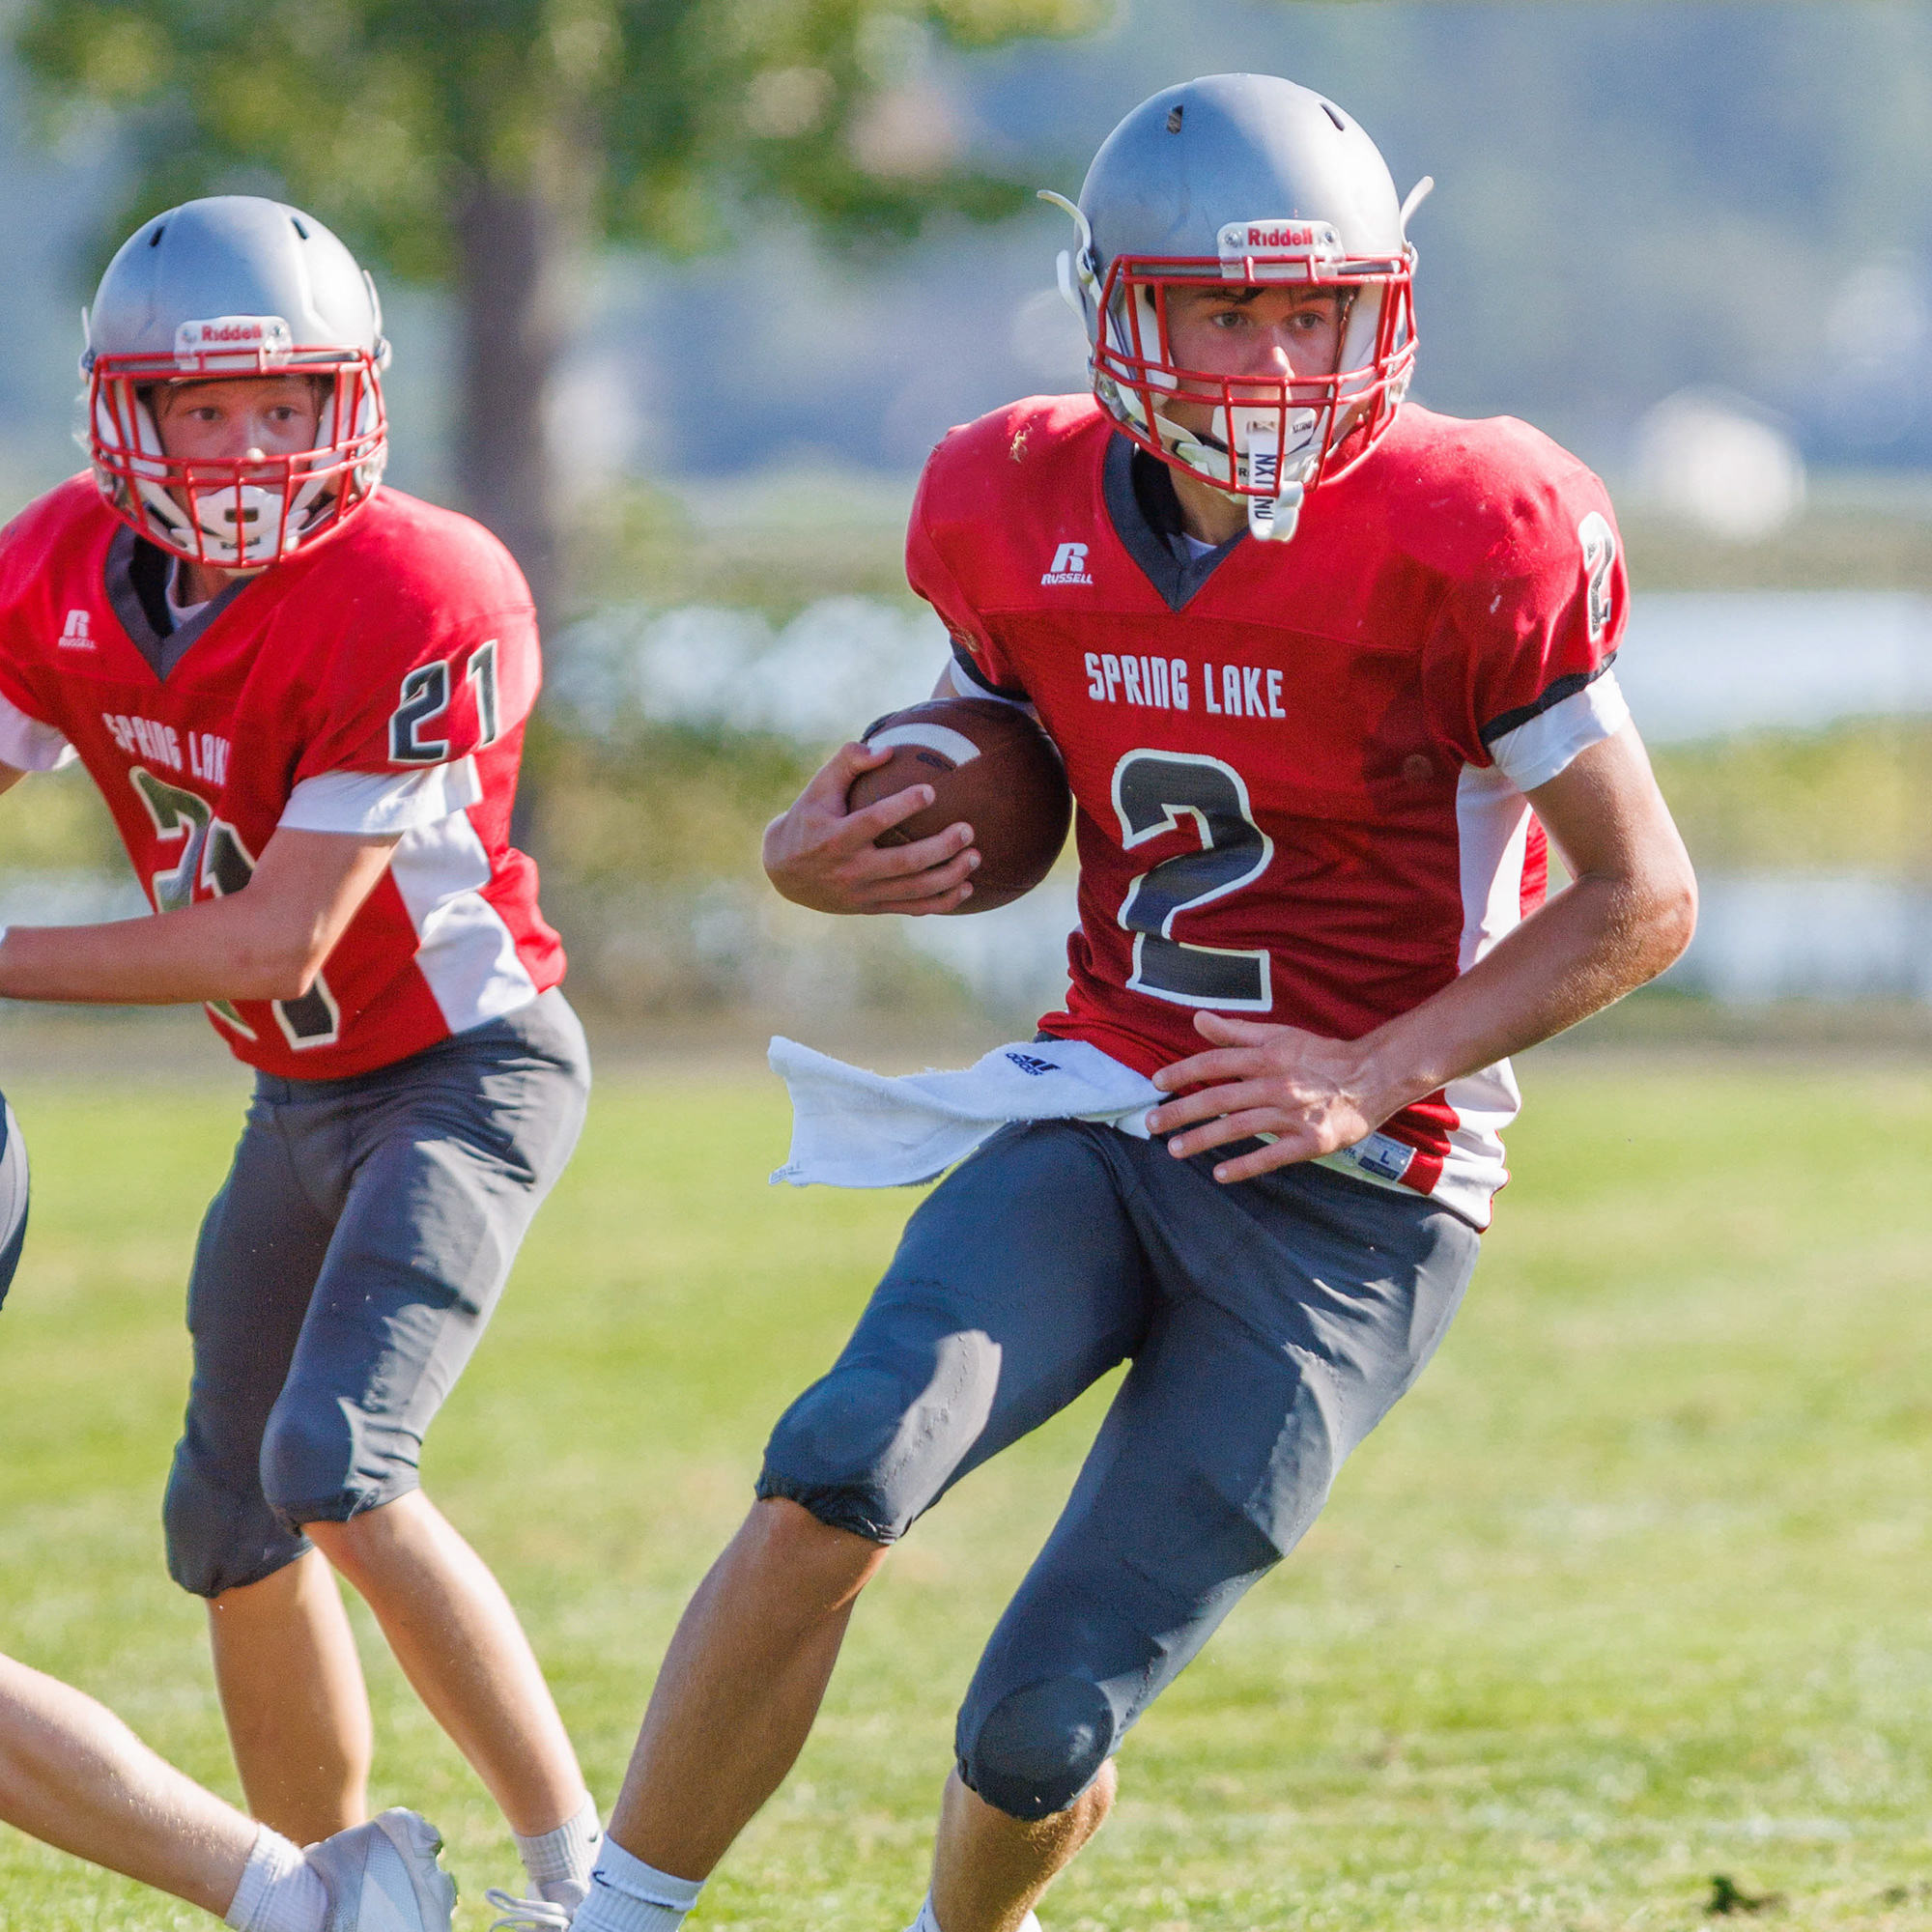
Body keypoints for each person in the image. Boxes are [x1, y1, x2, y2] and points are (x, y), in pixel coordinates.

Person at [569, 73, 1697, 1932]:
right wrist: (812, 851)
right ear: (1115, 309)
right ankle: (614, 1916)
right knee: (841, 1463)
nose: (1276, 360)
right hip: (1109, 1108)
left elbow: (1640, 895)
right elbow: (987, 759)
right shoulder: (1006, 496)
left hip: (1362, 1196)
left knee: (1039, 1728)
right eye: (1223, 310)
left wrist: (1370, 1069)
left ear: (1384, 306)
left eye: (1314, 310)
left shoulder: (1473, 524)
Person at [0, 196, 598, 1923]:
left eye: (287, 402)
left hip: (462, 1072)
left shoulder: (418, 585)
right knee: (227, 1522)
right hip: (297, 1094)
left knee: (336, 1461)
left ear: (357, 399)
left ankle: (586, 1881)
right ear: (126, 414)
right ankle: (341, 1895)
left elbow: (276, 943)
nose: (252, 448)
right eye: (205, 408)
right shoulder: (59, 566)